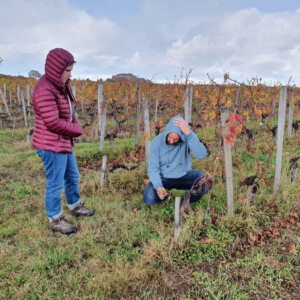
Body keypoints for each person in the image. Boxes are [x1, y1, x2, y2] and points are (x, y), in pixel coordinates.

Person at [32, 48, 95, 234]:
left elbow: (70, 111)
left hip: (63, 142)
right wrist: (77, 130)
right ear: (56, 69)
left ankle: (75, 205)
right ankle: (55, 218)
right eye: (67, 70)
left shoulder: (62, 85)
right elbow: (52, 121)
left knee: (72, 176)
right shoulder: (44, 89)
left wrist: (75, 125)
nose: (70, 74)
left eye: (71, 69)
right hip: (50, 145)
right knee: (55, 183)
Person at [143, 115, 211, 207]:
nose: (171, 141)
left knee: (206, 182)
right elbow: (153, 168)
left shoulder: (187, 137)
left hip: (184, 175)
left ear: (181, 136)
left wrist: (188, 133)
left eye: (175, 139)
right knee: (149, 197)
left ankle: (186, 199)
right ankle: (165, 197)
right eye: (169, 137)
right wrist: (158, 186)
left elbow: (201, 155)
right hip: (164, 178)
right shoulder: (157, 142)